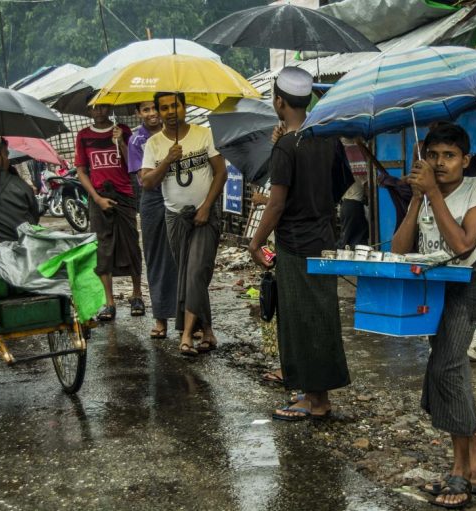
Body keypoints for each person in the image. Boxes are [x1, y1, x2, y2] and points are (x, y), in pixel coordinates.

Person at [391, 122, 476, 509]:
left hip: (467, 281)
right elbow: (400, 248)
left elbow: (462, 244)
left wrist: (434, 194)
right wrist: (414, 198)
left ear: (466, 160)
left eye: (450, 156)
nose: (441, 163)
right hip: (432, 285)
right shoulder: (425, 193)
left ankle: (460, 468)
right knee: (451, 369)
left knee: (446, 368)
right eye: (434, 155)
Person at [249, 67, 352, 421]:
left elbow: (277, 203)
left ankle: (315, 399)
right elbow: (340, 186)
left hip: (294, 243)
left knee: (301, 320)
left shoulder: (285, 147)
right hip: (324, 237)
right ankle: (315, 393)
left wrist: (255, 242)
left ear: (279, 102)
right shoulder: (328, 139)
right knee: (321, 316)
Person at [141, 92, 227, 357]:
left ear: (184, 107)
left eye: (174, 106)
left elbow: (221, 172)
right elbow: (147, 183)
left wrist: (206, 207)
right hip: (174, 217)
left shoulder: (203, 134)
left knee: (195, 272)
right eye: (164, 107)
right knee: (191, 275)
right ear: (158, 111)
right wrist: (167, 159)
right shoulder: (153, 144)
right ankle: (208, 331)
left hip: (204, 216)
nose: (169, 111)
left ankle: (187, 334)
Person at [75, 101, 144, 321]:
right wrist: (96, 198)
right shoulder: (83, 136)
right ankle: (109, 301)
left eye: (103, 106)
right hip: (98, 197)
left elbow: (132, 163)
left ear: (110, 108)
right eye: (94, 107)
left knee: (131, 244)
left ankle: (137, 294)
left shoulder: (122, 130)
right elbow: (81, 170)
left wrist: (121, 142)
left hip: (124, 194)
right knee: (102, 249)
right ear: (88, 111)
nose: (99, 111)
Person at [128, 100, 178, 340]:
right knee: (157, 258)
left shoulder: (179, 134)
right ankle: (160, 317)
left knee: (183, 259)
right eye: (145, 109)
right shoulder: (137, 141)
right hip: (154, 200)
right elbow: (145, 179)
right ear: (138, 113)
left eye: (154, 108)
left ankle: (188, 317)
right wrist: (168, 159)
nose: (152, 114)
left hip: (180, 196)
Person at [336, 140, 369, 249]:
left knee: (348, 238)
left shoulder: (346, 171)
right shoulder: (361, 173)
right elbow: (368, 190)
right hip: (354, 206)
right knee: (355, 240)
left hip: (345, 205)